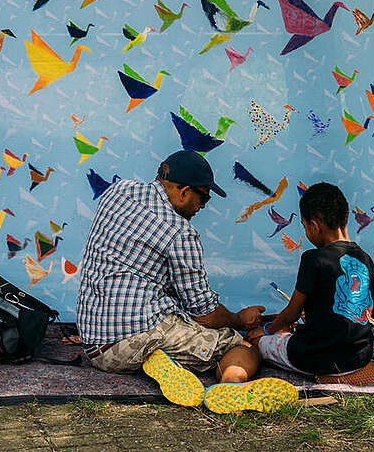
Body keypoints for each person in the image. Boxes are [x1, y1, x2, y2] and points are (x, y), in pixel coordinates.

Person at [76, 150, 297, 413]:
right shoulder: (180, 232)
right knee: (241, 346)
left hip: (94, 340)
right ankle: (230, 387)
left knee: (171, 316)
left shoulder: (119, 191)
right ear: (183, 192)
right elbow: (205, 313)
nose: (203, 206)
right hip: (133, 337)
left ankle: (159, 362)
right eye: (203, 197)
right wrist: (239, 320)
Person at [247, 182, 374, 385]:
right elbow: (359, 314)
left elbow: (291, 314)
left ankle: (333, 372)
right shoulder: (366, 260)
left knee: (260, 344)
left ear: (314, 225)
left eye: (304, 226)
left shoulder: (313, 258)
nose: (306, 232)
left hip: (318, 358)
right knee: (341, 337)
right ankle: (372, 356)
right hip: (358, 354)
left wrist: (266, 330)